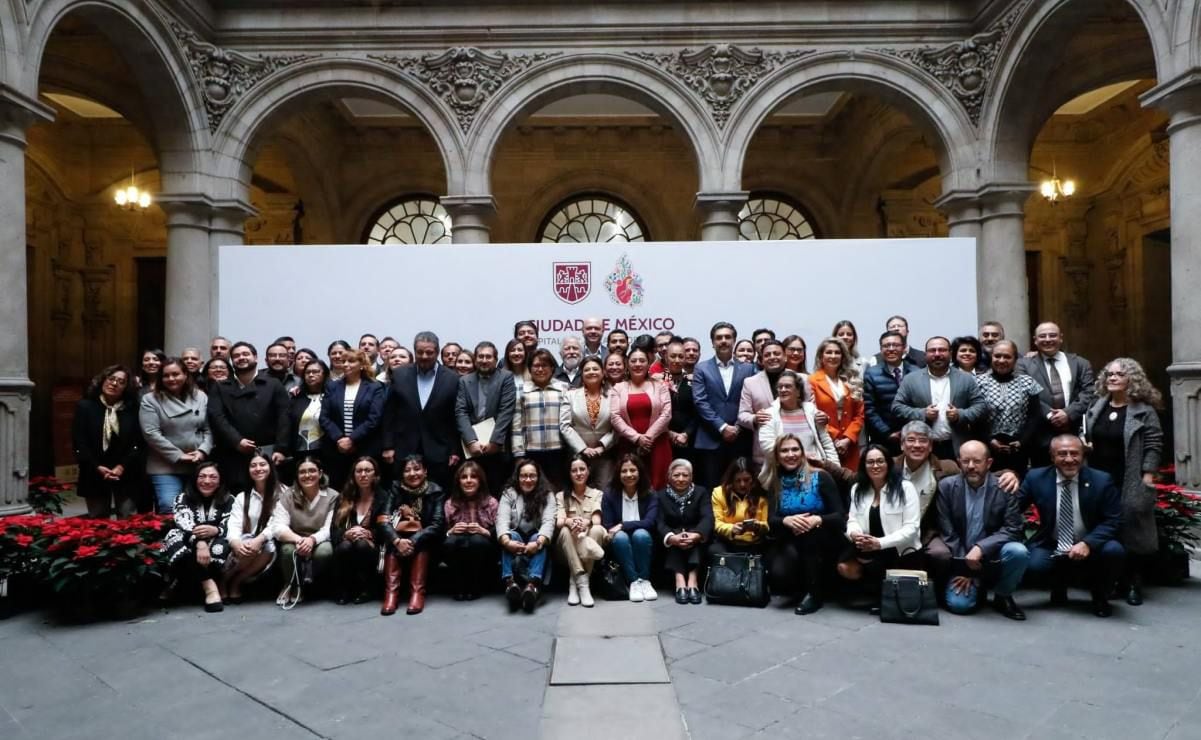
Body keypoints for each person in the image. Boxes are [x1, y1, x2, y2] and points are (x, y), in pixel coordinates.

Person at [1083, 357, 1164, 606]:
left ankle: (1133, 583)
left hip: (1129, 477)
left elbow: (1154, 444)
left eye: (1119, 374)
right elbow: (1087, 433)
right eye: (1109, 374)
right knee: (1105, 528)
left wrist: (1147, 476)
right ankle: (1111, 581)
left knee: (1132, 529)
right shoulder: (1098, 406)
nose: (1113, 378)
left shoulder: (1143, 411)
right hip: (1100, 478)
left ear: (1132, 379)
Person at [1019, 435, 1124, 618]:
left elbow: (1113, 520)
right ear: (1052, 457)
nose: (1069, 459)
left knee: (1114, 551)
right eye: (1062, 454)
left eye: (1074, 453)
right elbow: (1013, 508)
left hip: (1091, 543)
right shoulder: (1036, 478)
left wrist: (1088, 543)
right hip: (1052, 542)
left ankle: (1100, 595)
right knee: (1032, 564)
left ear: (1083, 456)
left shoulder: (1102, 480)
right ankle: (1058, 584)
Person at [932, 441, 1029, 620]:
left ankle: (1003, 595)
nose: (971, 466)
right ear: (959, 462)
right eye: (965, 461)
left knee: (1018, 551)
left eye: (977, 461)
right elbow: (948, 532)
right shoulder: (946, 487)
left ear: (989, 463)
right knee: (959, 606)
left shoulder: (1004, 486)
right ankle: (979, 585)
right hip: (960, 556)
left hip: (992, 555)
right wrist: (966, 568)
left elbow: (1013, 528)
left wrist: (981, 548)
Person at [761, 437, 843, 615]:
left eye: (795, 449)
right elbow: (771, 520)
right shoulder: (775, 482)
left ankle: (814, 594)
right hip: (789, 538)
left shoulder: (821, 476)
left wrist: (817, 520)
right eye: (784, 451)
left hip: (822, 537)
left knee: (810, 534)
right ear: (777, 456)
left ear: (802, 453)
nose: (790, 454)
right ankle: (801, 586)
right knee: (779, 574)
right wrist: (786, 521)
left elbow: (840, 516)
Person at [837, 444, 923, 609]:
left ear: (888, 464)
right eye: (870, 462)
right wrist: (855, 534)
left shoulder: (906, 488)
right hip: (867, 546)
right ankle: (869, 593)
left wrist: (879, 543)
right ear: (864, 466)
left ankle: (882, 596)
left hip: (897, 549)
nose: (875, 466)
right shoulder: (858, 488)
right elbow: (852, 520)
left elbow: (911, 529)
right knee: (843, 565)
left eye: (880, 461)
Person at [207, 341, 290, 492]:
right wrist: (236, 440)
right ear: (232, 361)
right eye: (236, 356)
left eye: (246, 354)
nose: (241, 358)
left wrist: (281, 449)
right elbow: (217, 417)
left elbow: (284, 418)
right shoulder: (220, 387)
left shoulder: (273, 384)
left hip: (268, 453)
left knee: (271, 497)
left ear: (256, 357)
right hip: (233, 454)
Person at [382, 331, 461, 490]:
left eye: (429, 352)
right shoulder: (400, 374)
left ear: (437, 352)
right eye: (420, 352)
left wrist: (455, 449)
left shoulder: (452, 378)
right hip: (404, 448)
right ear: (414, 351)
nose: (424, 356)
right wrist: (387, 446)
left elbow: (454, 417)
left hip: (439, 450)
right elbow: (389, 413)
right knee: (403, 498)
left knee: (437, 495)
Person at [892, 336, 987, 461]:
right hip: (923, 446)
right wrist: (922, 413)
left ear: (951, 353)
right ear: (925, 354)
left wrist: (960, 414)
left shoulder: (965, 379)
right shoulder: (911, 379)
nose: (937, 354)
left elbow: (981, 406)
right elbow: (897, 407)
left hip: (956, 446)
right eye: (932, 350)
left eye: (942, 350)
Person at [1018, 321, 1096, 467]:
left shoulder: (1080, 363)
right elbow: (1025, 394)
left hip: (1073, 432)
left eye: (1052, 335)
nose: (1048, 339)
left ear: (1060, 338)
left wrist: (1068, 413)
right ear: (1035, 340)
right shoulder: (1023, 365)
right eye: (1042, 336)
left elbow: (1089, 392)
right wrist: (1050, 415)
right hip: (1039, 436)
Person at [140, 358, 212, 514]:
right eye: (166, 376)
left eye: (176, 374)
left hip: (197, 463)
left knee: (198, 509)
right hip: (165, 465)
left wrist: (203, 450)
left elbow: (209, 429)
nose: (171, 379)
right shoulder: (150, 399)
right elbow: (151, 433)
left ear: (185, 375)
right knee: (169, 506)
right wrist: (178, 455)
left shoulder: (201, 396)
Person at [378, 454, 446, 615]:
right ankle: (391, 594)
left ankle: (417, 593)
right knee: (392, 543)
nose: (413, 473)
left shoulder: (436, 491)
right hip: (397, 540)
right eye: (407, 470)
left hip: (426, 541)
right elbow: (383, 519)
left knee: (422, 543)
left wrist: (413, 540)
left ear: (425, 471)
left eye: (417, 469)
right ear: (402, 474)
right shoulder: (395, 488)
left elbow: (437, 524)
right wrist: (396, 540)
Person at [161, 462, 232, 612]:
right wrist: (199, 542)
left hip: (217, 539)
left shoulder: (229, 500)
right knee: (174, 537)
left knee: (222, 545)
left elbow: (231, 523)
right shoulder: (182, 498)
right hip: (189, 538)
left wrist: (217, 530)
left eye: (213, 477)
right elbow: (183, 522)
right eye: (202, 476)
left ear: (220, 481)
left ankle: (183, 584)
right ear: (195, 479)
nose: (207, 481)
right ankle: (209, 587)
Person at [73, 364, 142, 519]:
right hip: (94, 470)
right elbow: (79, 441)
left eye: (121, 381)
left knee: (127, 518)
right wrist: (97, 467)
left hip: (126, 470)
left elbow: (138, 442)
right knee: (97, 521)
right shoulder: (85, 406)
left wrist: (122, 466)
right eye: (111, 379)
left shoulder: (133, 409)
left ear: (126, 387)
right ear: (103, 381)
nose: (114, 383)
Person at [692, 322, 756, 487]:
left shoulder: (748, 369)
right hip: (711, 438)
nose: (723, 341)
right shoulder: (701, 368)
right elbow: (700, 401)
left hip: (740, 437)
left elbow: (750, 401)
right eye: (719, 338)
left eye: (728, 337)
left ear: (734, 341)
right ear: (712, 342)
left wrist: (737, 427)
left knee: (742, 486)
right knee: (713, 487)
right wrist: (722, 427)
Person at [272, 456, 338, 608]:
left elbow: (330, 528)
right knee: (288, 550)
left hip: (320, 540)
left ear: (320, 473)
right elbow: (278, 527)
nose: (307, 475)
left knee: (325, 551)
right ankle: (290, 584)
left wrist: (312, 540)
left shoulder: (333, 496)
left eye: (312, 471)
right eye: (302, 472)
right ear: (297, 475)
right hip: (295, 540)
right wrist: (299, 540)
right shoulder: (287, 495)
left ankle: (305, 582)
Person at [456, 341, 517, 494]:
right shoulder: (464, 380)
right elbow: (461, 412)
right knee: (472, 491)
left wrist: (494, 441)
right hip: (472, 448)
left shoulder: (506, 377)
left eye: (488, 357)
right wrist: (471, 441)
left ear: (496, 360)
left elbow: (506, 411)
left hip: (497, 448)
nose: (484, 360)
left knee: (497, 489)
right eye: (480, 357)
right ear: (475, 359)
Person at [319, 349, 386, 490]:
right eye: (343, 361)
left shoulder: (374, 387)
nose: (346, 365)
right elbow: (324, 417)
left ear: (361, 365)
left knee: (365, 489)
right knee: (339, 489)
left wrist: (352, 439)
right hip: (337, 449)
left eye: (351, 361)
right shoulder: (332, 386)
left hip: (365, 447)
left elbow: (374, 418)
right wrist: (340, 439)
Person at [739, 340, 811, 467]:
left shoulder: (803, 379)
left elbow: (810, 409)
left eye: (776, 353)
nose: (772, 357)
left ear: (784, 357)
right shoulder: (750, 382)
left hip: (800, 452)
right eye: (767, 355)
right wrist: (755, 418)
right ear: (761, 359)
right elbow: (742, 415)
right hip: (765, 455)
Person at [497, 458, 557, 613]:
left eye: (532, 476)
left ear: (538, 477)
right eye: (524, 476)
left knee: (539, 540)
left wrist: (538, 542)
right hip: (516, 537)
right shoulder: (509, 493)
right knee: (510, 535)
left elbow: (549, 522)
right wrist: (506, 541)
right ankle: (510, 584)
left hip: (534, 537)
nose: (528, 480)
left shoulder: (548, 495)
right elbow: (502, 519)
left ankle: (532, 585)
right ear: (518, 477)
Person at [609, 347, 673, 488]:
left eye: (642, 360)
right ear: (627, 364)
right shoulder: (618, 388)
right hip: (629, 445)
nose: (638, 364)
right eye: (634, 361)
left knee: (659, 486)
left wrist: (648, 438)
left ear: (648, 363)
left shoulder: (660, 386)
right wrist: (638, 438)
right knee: (631, 486)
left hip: (658, 444)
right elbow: (615, 417)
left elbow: (667, 414)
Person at [977, 340, 1043, 476]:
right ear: (991, 357)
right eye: (997, 356)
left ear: (1015, 359)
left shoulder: (1028, 382)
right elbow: (975, 417)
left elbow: (1035, 416)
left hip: (1019, 449)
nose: (1001, 360)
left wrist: (1021, 442)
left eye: (1007, 357)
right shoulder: (978, 382)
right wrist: (989, 441)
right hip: (987, 448)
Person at [223, 453, 281, 604]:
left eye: (262, 464)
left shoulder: (282, 492)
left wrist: (260, 539)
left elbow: (278, 521)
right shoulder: (243, 496)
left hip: (273, 540)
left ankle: (236, 582)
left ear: (270, 467)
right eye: (253, 465)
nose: (258, 469)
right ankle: (223, 581)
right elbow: (234, 523)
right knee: (247, 545)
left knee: (267, 547)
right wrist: (234, 541)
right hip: (246, 540)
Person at [602, 454, 660, 602]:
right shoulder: (609, 494)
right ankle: (634, 582)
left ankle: (645, 580)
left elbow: (649, 523)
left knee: (640, 534)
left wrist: (622, 525)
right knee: (621, 537)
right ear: (618, 474)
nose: (629, 475)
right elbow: (608, 526)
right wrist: (620, 529)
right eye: (624, 471)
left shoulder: (650, 493)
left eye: (633, 470)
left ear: (639, 472)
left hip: (644, 541)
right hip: (619, 544)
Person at [331, 456, 387, 605]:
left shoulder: (384, 497)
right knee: (345, 546)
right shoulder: (344, 498)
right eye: (359, 471)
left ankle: (367, 589)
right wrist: (345, 533)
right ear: (353, 475)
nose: (363, 474)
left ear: (375, 475)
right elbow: (333, 531)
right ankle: (344, 590)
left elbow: (387, 528)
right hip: (347, 545)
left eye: (368, 470)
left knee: (361, 544)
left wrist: (370, 533)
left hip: (373, 547)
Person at [757, 370, 839, 470]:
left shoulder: (811, 410)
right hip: (782, 472)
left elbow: (826, 442)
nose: (783, 390)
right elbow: (768, 448)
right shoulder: (769, 414)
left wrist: (835, 468)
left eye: (788, 386)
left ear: (798, 391)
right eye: (780, 387)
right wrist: (800, 458)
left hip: (814, 469)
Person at [656, 458, 712, 604]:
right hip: (672, 539)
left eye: (685, 475)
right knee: (675, 537)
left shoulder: (701, 492)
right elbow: (659, 522)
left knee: (695, 536)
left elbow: (707, 517)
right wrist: (671, 537)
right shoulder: (660, 495)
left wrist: (697, 534)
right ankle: (680, 580)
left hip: (695, 537)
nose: (681, 479)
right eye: (676, 475)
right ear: (669, 477)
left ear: (691, 477)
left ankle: (692, 581)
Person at [512, 348, 569, 490]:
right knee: (533, 492)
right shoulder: (520, 390)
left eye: (544, 365)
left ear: (552, 368)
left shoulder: (564, 388)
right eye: (536, 366)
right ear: (530, 369)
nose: (540, 369)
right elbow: (516, 425)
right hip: (531, 452)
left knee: (558, 491)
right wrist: (518, 453)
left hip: (559, 451)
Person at [442, 460, 499, 601]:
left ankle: (475, 585)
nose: (468, 481)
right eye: (464, 477)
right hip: (457, 549)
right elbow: (441, 533)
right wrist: (451, 530)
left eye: (473, 477)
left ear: (480, 481)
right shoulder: (449, 503)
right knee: (451, 542)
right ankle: (459, 585)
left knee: (477, 540)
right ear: (458, 481)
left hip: (484, 550)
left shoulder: (492, 502)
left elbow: (501, 531)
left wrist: (485, 531)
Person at [555, 455, 606, 607]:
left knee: (597, 530)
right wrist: (570, 522)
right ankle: (583, 583)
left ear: (588, 471)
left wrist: (586, 522)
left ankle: (576, 583)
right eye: (574, 470)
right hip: (566, 548)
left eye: (582, 469)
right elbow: (559, 522)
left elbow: (597, 520)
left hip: (587, 543)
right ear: (569, 474)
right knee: (564, 530)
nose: (579, 473)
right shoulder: (561, 496)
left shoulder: (597, 494)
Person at [560, 356, 617, 491]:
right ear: (582, 374)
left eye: (595, 369)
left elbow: (618, 425)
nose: (591, 372)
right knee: (578, 493)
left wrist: (602, 447)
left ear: (603, 372)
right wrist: (583, 448)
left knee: (605, 493)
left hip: (605, 455)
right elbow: (565, 425)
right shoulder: (570, 395)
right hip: (578, 456)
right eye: (587, 369)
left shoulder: (614, 394)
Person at [809, 337, 865, 470]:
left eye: (837, 353)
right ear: (821, 356)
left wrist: (847, 439)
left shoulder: (852, 379)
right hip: (825, 442)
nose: (833, 356)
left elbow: (860, 415)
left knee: (850, 482)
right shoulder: (812, 381)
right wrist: (835, 438)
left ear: (843, 356)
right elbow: (813, 413)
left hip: (849, 444)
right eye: (829, 352)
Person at [863, 331, 919, 454]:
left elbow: (921, 405)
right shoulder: (871, 374)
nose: (891, 349)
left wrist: (911, 432)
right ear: (881, 349)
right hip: (883, 439)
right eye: (886, 346)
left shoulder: (917, 372)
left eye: (896, 345)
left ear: (904, 348)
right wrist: (888, 433)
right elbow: (869, 409)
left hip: (914, 438)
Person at [710, 457, 770, 559]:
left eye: (746, 480)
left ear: (753, 478)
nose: (742, 485)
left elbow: (767, 525)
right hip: (729, 543)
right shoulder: (719, 493)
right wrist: (731, 529)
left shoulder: (761, 494)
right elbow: (717, 523)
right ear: (731, 480)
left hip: (755, 544)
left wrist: (758, 526)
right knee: (714, 550)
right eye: (737, 480)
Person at [287, 359, 330, 482]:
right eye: (308, 372)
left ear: (324, 374)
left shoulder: (333, 396)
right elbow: (288, 424)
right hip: (299, 452)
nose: (311, 375)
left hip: (327, 452)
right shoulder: (296, 398)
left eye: (316, 372)